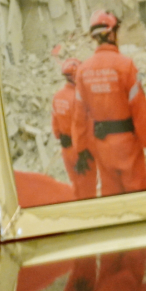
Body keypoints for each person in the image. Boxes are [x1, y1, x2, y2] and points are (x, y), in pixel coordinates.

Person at [72, 9, 146, 196]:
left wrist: (80, 148)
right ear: (111, 34)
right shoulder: (125, 66)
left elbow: (79, 116)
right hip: (128, 147)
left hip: (102, 148)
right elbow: (140, 111)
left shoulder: (83, 71)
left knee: (112, 198)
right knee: (139, 199)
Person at [51, 58, 97, 200]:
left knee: (76, 188)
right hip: (82, 151)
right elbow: (85, 128)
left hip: (67, 151)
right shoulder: (80, 99)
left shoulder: (57, 97)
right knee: (88, 191)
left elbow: (56, 129)